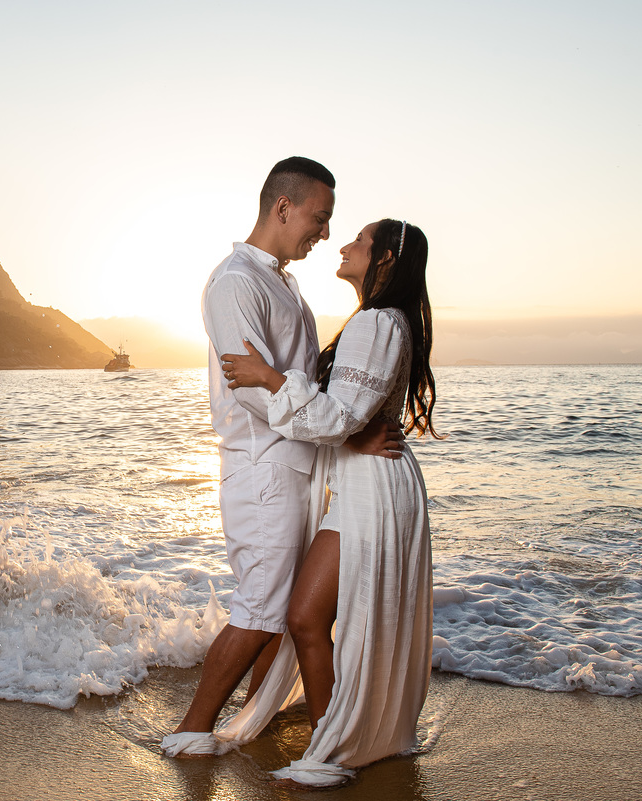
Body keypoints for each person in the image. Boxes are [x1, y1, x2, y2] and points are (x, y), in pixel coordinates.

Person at [161, 160, 403, 757]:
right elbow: (250, 388)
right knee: (262, 606)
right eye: (319, 218)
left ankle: (256, 715)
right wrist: (346, 435)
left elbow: (302, 382)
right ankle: (191, 730)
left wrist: (347, 429)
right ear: (283, 208)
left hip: (300, 466)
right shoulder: (235, 282)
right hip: (262, 466)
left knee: (286, 605)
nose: (324, 233)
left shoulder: (286, 284)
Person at [218, 218, 440, 787]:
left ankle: (334, 748)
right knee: (312, 617)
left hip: (373, 487)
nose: (343, 245)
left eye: (360, 241)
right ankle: (333, 739)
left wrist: (268, 378)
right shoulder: (381, 320)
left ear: (385, 258)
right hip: (365, 481)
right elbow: (346, 417)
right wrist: (348, 430)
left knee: (304, 616)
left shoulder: (376, 322)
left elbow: (338, 418)